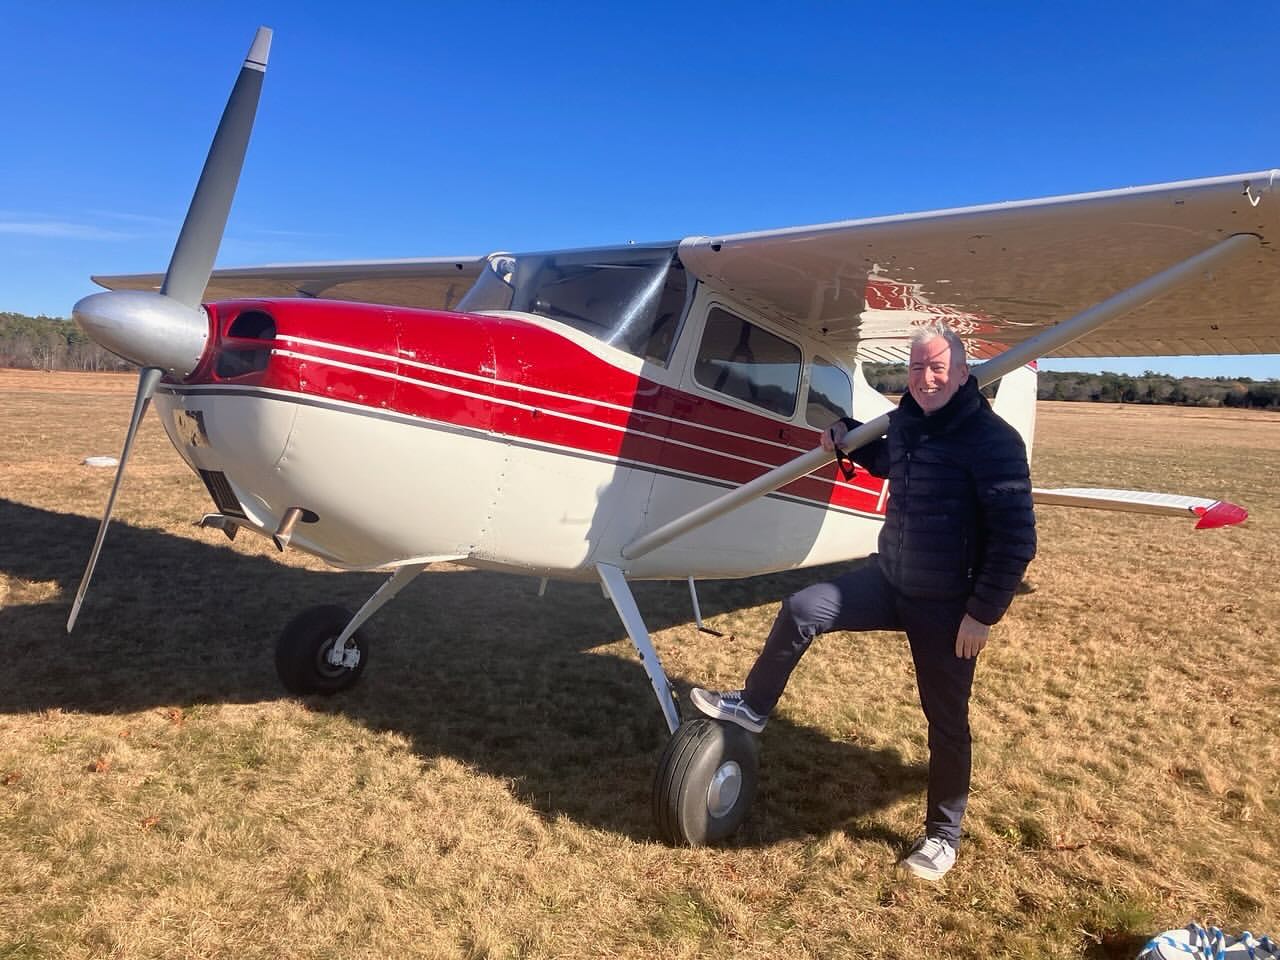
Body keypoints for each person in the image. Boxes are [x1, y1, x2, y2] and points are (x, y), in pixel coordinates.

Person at [691, 322, 1036, 880]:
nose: (924, 379)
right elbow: (884, 456)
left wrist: (982, 614)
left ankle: (943, 836)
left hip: (949, 605)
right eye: (916, 368)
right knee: (802, 608)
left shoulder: (995, 442)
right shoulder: (909, 421)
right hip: (890, 580)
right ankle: (753, 705)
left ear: (962, 373)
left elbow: (1017, 539)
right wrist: (845, 433)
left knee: (946, 721)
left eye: (937, 368)